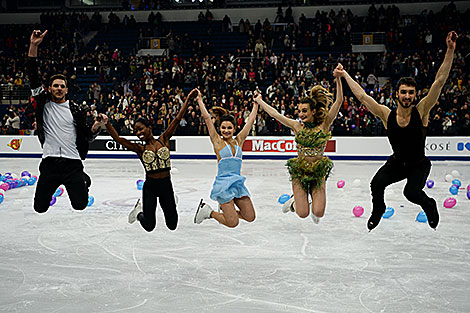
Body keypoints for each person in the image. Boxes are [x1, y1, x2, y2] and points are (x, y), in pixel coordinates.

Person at [334, 31, 458, 231]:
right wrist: (345, 74)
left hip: (419, 164)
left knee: (411, 193)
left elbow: (439, 81)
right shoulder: (386, 115)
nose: (407, 96)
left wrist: (450, 50)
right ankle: (379, 209)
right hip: (397, 163)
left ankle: (429, 204)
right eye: (404, 92)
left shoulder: (422, 110)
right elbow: (363, 97)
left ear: (415, 95)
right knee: (376, 184)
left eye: (411, 92)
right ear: (397, 95)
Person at [27, 30, 105, 214]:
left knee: (80, 205)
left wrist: (97, 126)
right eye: (56, 86)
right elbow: (32, 74)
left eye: (62, 86)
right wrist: (34, 46)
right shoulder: (43, 103)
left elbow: (87, 135)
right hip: (50, 163)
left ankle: (83, 180)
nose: (59, 88)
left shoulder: (76, 109)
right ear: (49, 88)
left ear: (67, 89)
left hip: (72, 163)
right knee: (39, 208)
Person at [102, 89, 198, 232]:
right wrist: (107, 123)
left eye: (141, 129)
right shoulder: (140, 149)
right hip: (150, 187)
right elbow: (118, 139)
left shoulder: (164, 139)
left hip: (166, 185)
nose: (139, 133)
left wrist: (188, 99)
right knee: (149, 226)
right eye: (136, 131)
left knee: (172, 225)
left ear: (149, 128)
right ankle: (138, 213)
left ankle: (172, 202)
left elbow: (177, 119)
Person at [253, 74, 343, 223]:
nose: (301, 115)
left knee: (319, 212)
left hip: (318, 171)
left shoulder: (324, 125)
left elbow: (339, 101)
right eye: (299, 111)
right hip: (300, 171)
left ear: (313, 111)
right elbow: (275, 114)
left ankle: (305, 200)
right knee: (302, 213)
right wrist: (260, 101)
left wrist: (339, 79)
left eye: (304, 111)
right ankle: (294, 201)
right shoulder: (297, 126)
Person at [194, 89, 258, 228]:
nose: (226, 131)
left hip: (238, 184)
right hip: (223, 185)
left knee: (250, 216)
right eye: (223, 128)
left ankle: (228, 212)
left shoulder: (239, 140)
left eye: (229, 128)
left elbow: (251, 121)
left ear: (234, 128)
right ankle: (208, 212)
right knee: (232, 223)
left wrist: (255, 104)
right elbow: (206, 118)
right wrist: (199, 100)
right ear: (220, 128)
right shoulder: (217, 141)